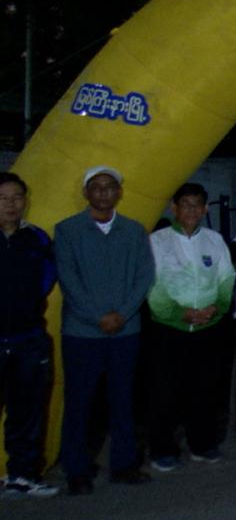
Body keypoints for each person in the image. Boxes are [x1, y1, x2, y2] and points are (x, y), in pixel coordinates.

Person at [55, 166, 155, 494]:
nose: (102, 192)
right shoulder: (68, 230)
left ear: (119, 193)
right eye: (95, 187)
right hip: (82, 333)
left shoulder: (134, 230)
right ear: (86, 193)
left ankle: (124, 465)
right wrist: (98, 316)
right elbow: (68, 280)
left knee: (123, 400)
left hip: (125, 331)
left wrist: (122, 314)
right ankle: (77, 470)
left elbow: (144, 276)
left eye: (109, 186)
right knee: (79, 402)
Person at [145, 182, 236, 471]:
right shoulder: (157, 241)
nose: (192, 210)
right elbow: (152, 285)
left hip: (208, 327)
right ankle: (162, 450)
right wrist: (179, 314)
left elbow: (226, 278)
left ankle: (202, 444)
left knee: (205, 389)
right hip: (168, 328)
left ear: (206, 209)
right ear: (174, 208)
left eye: (197, 205)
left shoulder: (214, 240)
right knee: (165, 391)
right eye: (185, 204)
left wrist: (216, 308)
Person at [0, 172, 60, 498]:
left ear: (26, 201)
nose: (10, 204)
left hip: (29, 341)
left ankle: (22, 476)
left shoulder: (36, 238)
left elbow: (47, 279)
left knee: (27, 414)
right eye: (3, 198)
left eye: (17, 197)